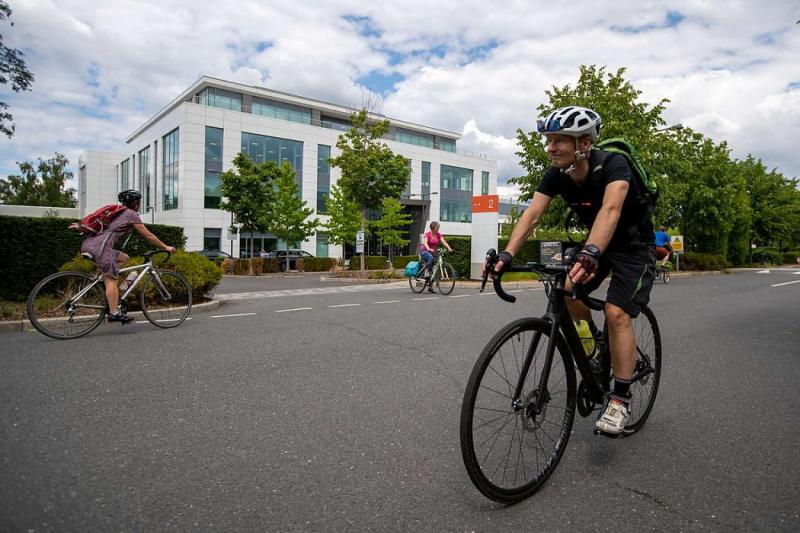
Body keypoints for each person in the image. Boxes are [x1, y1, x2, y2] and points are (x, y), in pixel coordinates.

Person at [483, 106, 656, 435]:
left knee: (616, 311)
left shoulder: (613, 165)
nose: (550, 148)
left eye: (559, 140)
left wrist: (591, 251)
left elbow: (611, 208)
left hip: (633, 247)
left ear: (585, 143)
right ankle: (592, 344)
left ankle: (619, 400)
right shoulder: (557, 175)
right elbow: (532, 214)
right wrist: (507, 253)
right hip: (595, 243)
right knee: (563, 289)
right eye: (549, 140)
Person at [80, 190, 176, 323]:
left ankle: (105, 280)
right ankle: (114, 313)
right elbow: (148, 235)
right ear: (136, 203)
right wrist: (165, 247)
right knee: (112, 280)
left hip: (90, 244)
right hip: (101, 248)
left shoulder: (118, 212)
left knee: (124, 258)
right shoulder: (130, 214)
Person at [420, 221, 453, 293]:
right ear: (433, 227)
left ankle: (430, 286)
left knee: (435, 267)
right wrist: (428, 248)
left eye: (438, 227)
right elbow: (425, 242)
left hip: (432, 251)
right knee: (431, 259)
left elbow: (443, 242)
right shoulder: (427, 234)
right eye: (437, 227)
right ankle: (426, 273)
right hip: (425, 251)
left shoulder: (438, 234)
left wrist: (449, 248)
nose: (438, 228)